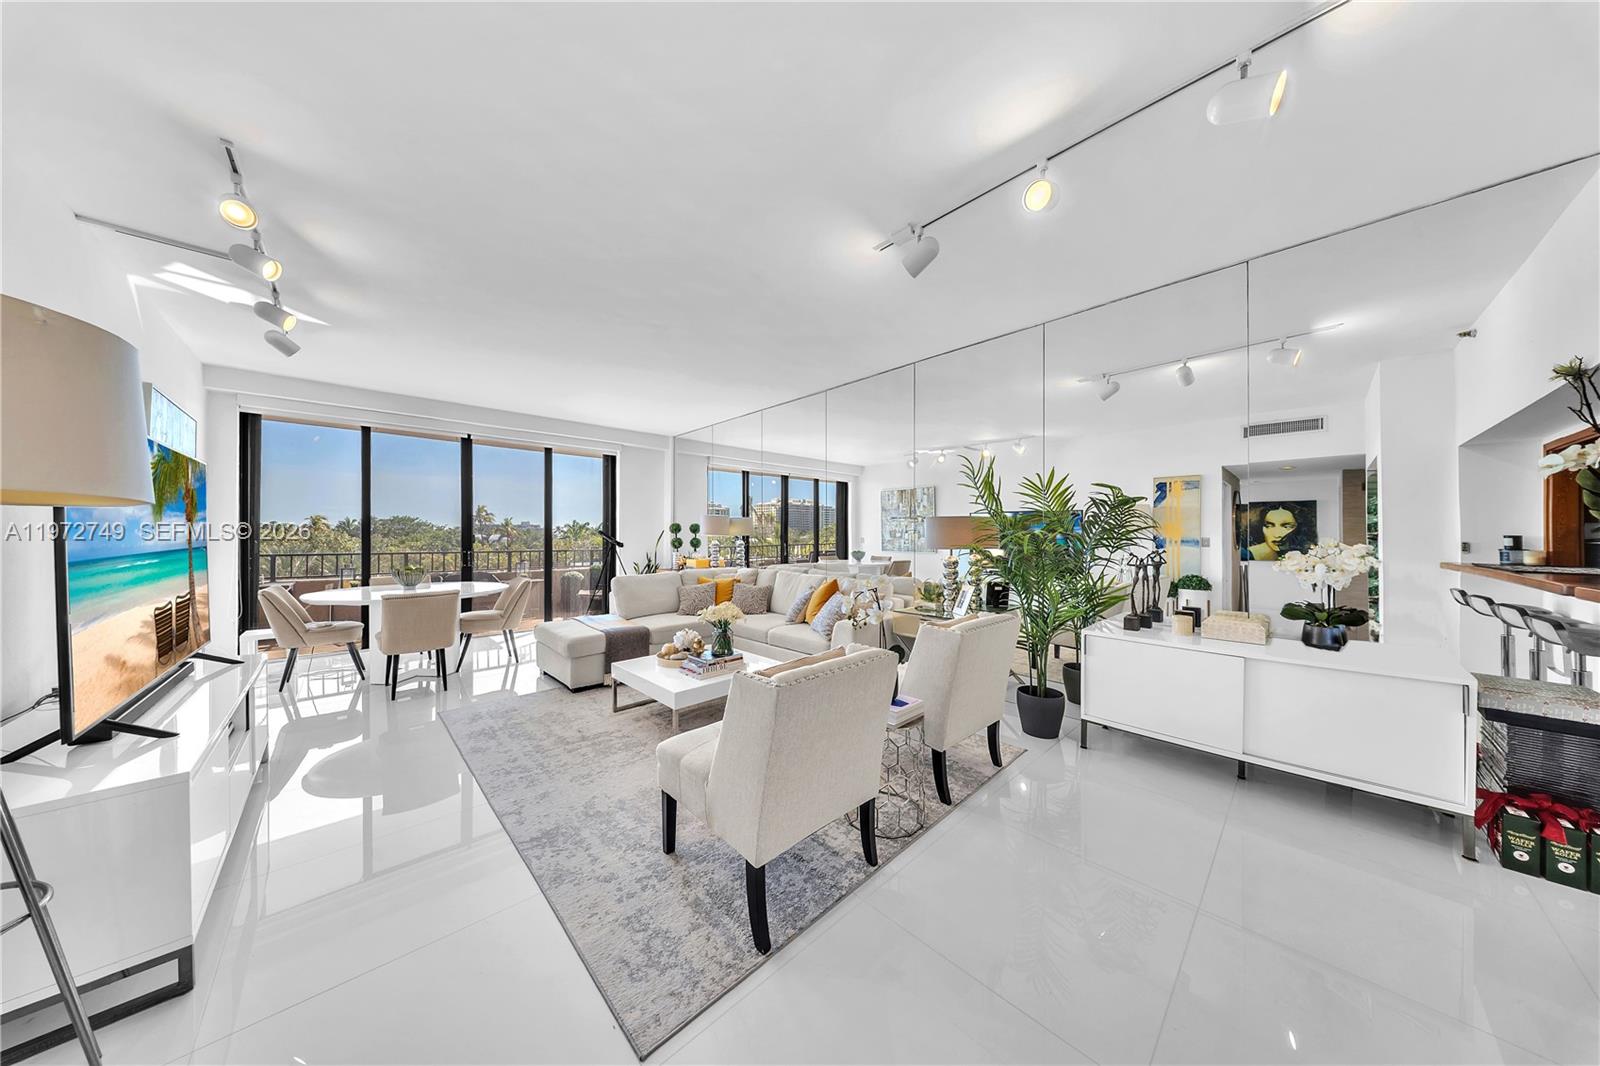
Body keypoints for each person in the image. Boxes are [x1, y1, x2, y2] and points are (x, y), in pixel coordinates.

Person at [1242, 503, 1310, 561]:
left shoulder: (1310, 553)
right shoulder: (1249, 554)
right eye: (1269, 526)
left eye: (1286, 527)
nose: (1277, 535)